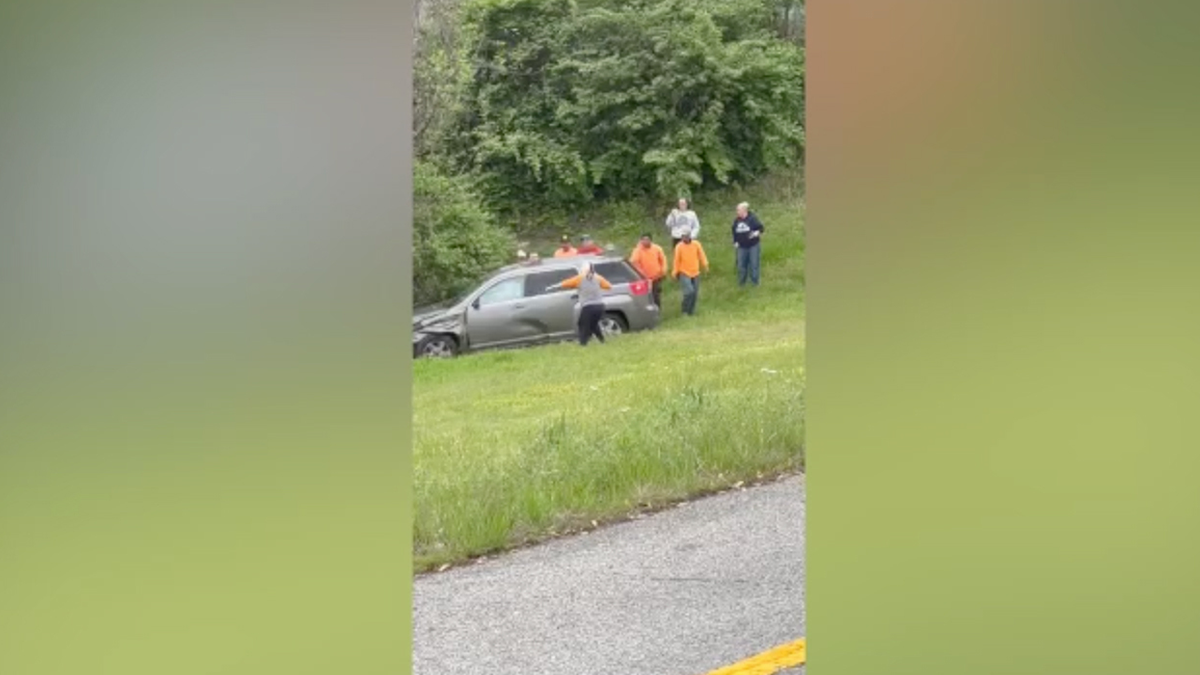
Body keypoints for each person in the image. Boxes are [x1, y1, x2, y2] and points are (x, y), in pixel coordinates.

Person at [547, 262, 613, 346]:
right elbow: (609, 286)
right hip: (600, 306)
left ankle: (583, 343)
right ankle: (602, 341)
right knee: (593, 324)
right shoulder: (598, 278)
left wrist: (552, 287)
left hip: (588, 307)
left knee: (582, 324)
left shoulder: (580, 278)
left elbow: (565, 283)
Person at [672, 229, 708, 316]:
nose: (685, 238)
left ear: (690, 236)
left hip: (695, 271)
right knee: (689, 291)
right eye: (683, 236)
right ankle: (685, 310)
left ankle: (691, 311)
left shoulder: (696, 244)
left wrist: (705, 265)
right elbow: (676, 260)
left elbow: (701, 255)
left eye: (686, 236)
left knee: (695, 293)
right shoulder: (679, 246)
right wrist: (675, 272)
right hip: (684, 272)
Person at [628, 232, 667, 308]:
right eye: (644, 240)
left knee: (656, 296)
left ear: (651, 240)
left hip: (656, 277)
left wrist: (663, 271)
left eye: (647, 239)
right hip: (643, 279)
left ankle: (657, 312)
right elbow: (634, 263)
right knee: (646, 297)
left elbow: (663, 260)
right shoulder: (637, 251)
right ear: (641, 240)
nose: (645, 241)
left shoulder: (657, 248)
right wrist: (641, 274)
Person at [732, 201, 765, 286]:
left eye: (738, 210)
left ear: (744, 210)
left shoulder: (752, 219)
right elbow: (734, 232)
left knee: (754, 264)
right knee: (741, 265)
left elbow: (761, 228)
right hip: (741, 246)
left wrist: (755, 233)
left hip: (753, 245)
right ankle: (742, 283)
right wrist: (735, 242)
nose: (737, 212)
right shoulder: (736, 221)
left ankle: (755, 283)